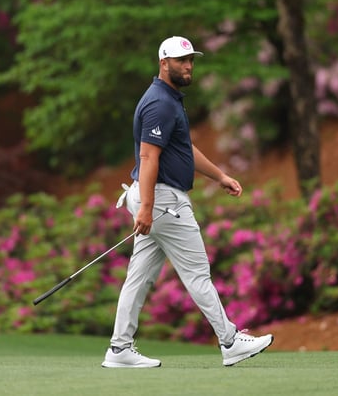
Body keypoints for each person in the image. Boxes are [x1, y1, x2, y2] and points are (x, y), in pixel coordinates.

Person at [101, 36, 274, 368]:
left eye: (191, 59)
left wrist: (220, 176)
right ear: (163, 63)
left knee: (139, 277)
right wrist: (149, 207)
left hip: (156, 198)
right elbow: (149, 156)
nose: (188, 65)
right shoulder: (160, 104)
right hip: (164, 200)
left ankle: (120, 349)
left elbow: (183, 149)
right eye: (181, 60)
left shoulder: (168, 100)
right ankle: (229, 340)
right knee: (197, 273)